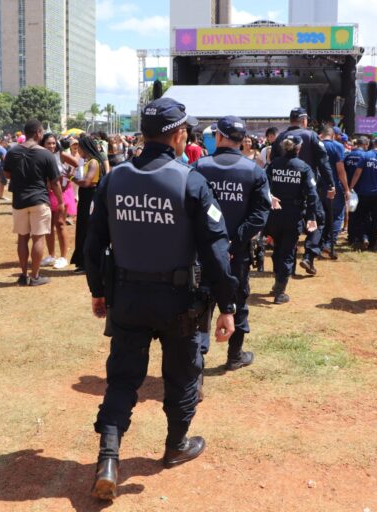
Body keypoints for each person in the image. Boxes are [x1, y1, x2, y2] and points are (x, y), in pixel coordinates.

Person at [83, 97, 237, 501]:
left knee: (122, 378)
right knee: (183, 375)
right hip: (179, 300)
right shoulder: (190, 180)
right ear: (180, 134)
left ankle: (109, 458)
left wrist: (98, 290)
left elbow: (93, 242)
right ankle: (176, 445)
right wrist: (229, 306)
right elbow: (217, 252)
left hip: (128, 297)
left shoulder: (115, 179)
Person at [194, 115, 271, 370]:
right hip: (237, 253)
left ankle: (196, 366)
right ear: (243, 140)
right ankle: (234, 356)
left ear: (218, 136)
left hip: (203, 251)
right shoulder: (255, 171)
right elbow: (260, 216)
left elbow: (189, 209)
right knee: (237, 300)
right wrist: (233, 241)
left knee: (201, 305)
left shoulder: (201, 166)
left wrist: (214, 242)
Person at [272, 108, 334, 275]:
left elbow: (273, 162)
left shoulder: (280, 137)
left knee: (288, 228)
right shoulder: (311, 136)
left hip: (285, 191)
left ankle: (287, 267)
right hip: (308, 188)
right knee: (318, 221)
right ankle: (308, 255)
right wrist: (331, 184)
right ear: (304, 119)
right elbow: (323, 162)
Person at [3, 120, 64, 286]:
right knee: (38, 237)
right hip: (39, 200)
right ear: (38, 132)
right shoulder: (46, 154)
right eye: (42, 131)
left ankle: (23, 275)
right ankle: (35, 276)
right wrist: (60, 201)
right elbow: (55, 182)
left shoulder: (13, 151)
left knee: (22, 238)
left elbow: (6, 173)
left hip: (19, 200)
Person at [264, 135, 320, 304]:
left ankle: (277, 283)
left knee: (277, 250)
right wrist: (311, 217)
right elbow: (312, 195)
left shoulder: (273, 165)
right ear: (299, 148)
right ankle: (280, 291)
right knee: (288, 252)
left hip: (274, 214)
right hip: (293, 215)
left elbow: (263, 186)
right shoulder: (303, 168)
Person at [349, 136, 377, 250]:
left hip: (364, 193)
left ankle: (364, 237)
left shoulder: (365, 155)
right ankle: (372, 243)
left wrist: (350, 187)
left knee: (363, 216)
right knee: (376, 219)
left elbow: (357, 173)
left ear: (373, 144)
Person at [71, 134, 107, 272]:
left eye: (79, 148)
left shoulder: (93, 162)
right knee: (84, 229)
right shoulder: (91, 161)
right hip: (87, 197)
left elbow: (86, 182)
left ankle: (87, 263)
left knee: (87, 230)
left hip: (90, 198)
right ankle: (83, 261)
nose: (78, 151)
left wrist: (70, 177)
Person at [41, 133, 78, 269]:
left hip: (61, 193)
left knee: (60, 224)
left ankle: (63, 257)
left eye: (53, 143)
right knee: (48, 226)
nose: (51, 146)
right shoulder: (41, 155)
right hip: (46, 193)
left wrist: (69, 177)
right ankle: (51, 255)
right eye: (48, 143)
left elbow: (76, 163)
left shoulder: (60, 155)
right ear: (43, 144)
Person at [319, 127, 350, 258]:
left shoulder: (316, 144)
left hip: (318, 186)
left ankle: (320, 244)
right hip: (333, 185)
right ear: (333, 136)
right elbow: (340, 170)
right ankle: (329, 244)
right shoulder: (337, 146)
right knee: (337, 215)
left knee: (321, 215)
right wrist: (347, 188)